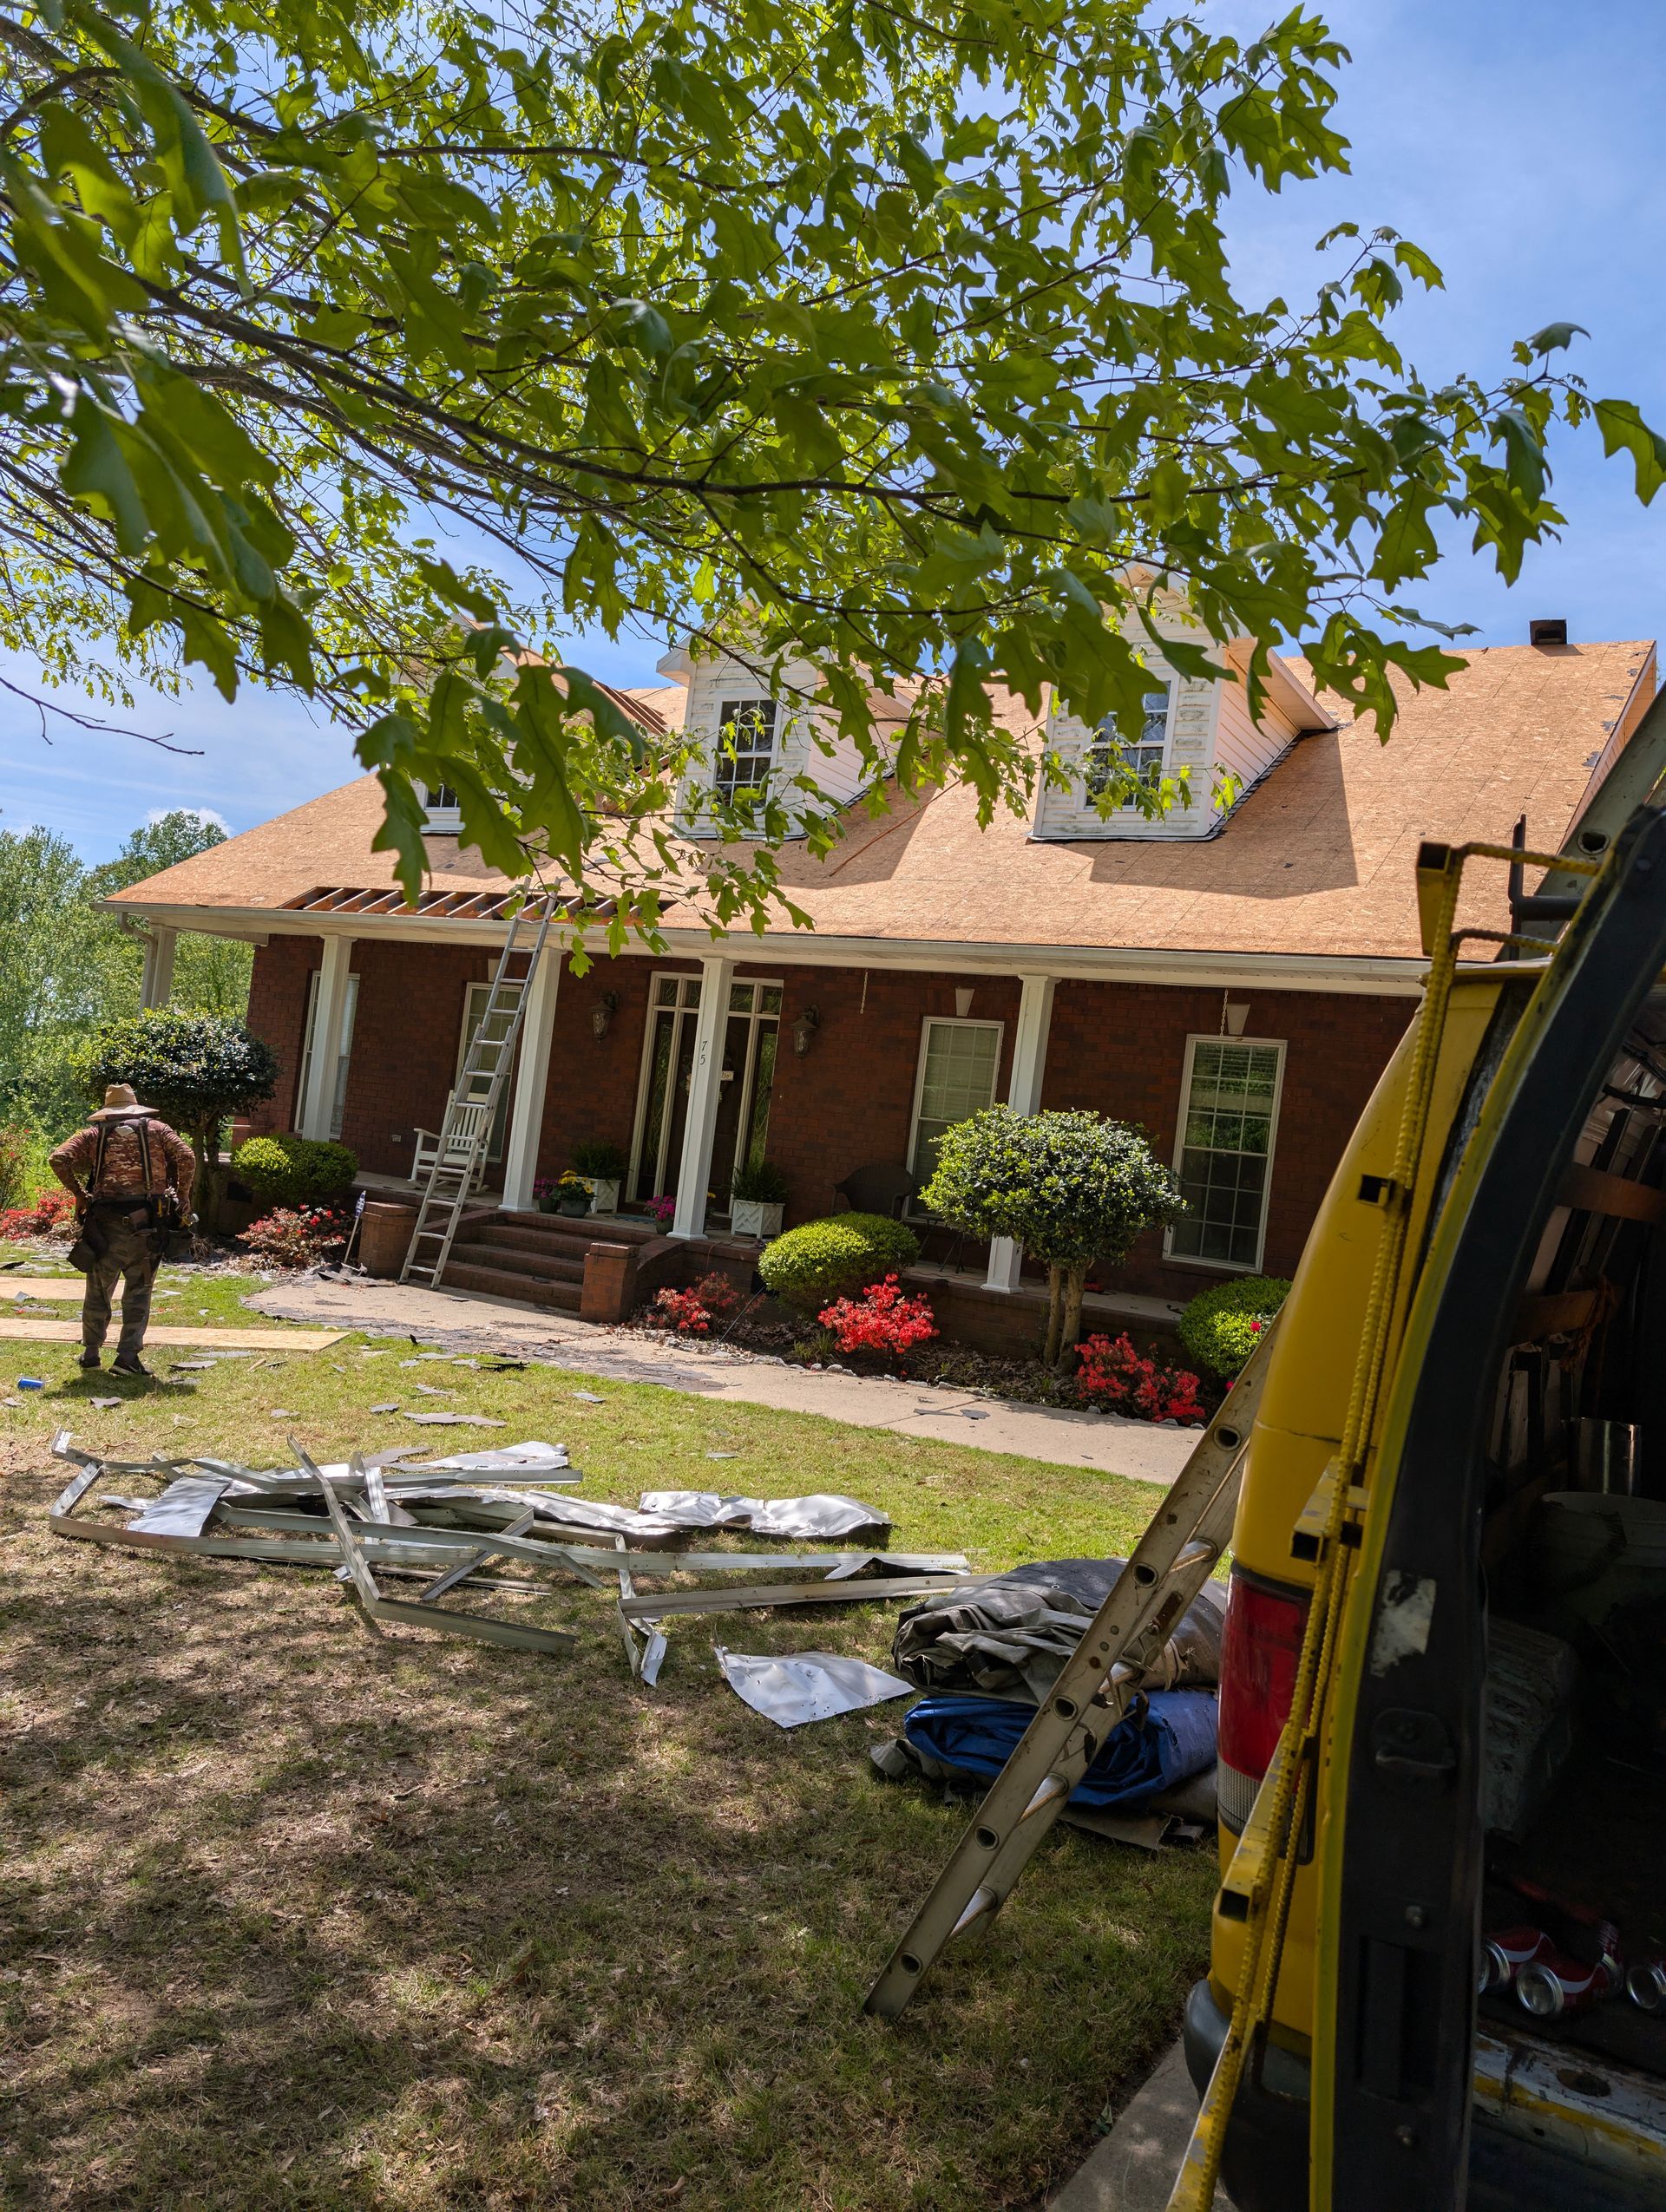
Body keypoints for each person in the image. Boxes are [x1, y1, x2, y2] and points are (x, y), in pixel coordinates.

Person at [49, 1085, 196, 1378]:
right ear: (134, 1106)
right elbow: (187, 1156)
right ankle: (127, 1357)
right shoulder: (158, 1129)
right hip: (147, 1223)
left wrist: (79, 1194)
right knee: (139, 1290)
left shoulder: (94, 1134)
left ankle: (91, 1354)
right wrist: (184, 1194)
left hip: (103, 1225)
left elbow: (58, 1158)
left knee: (98, 1290)